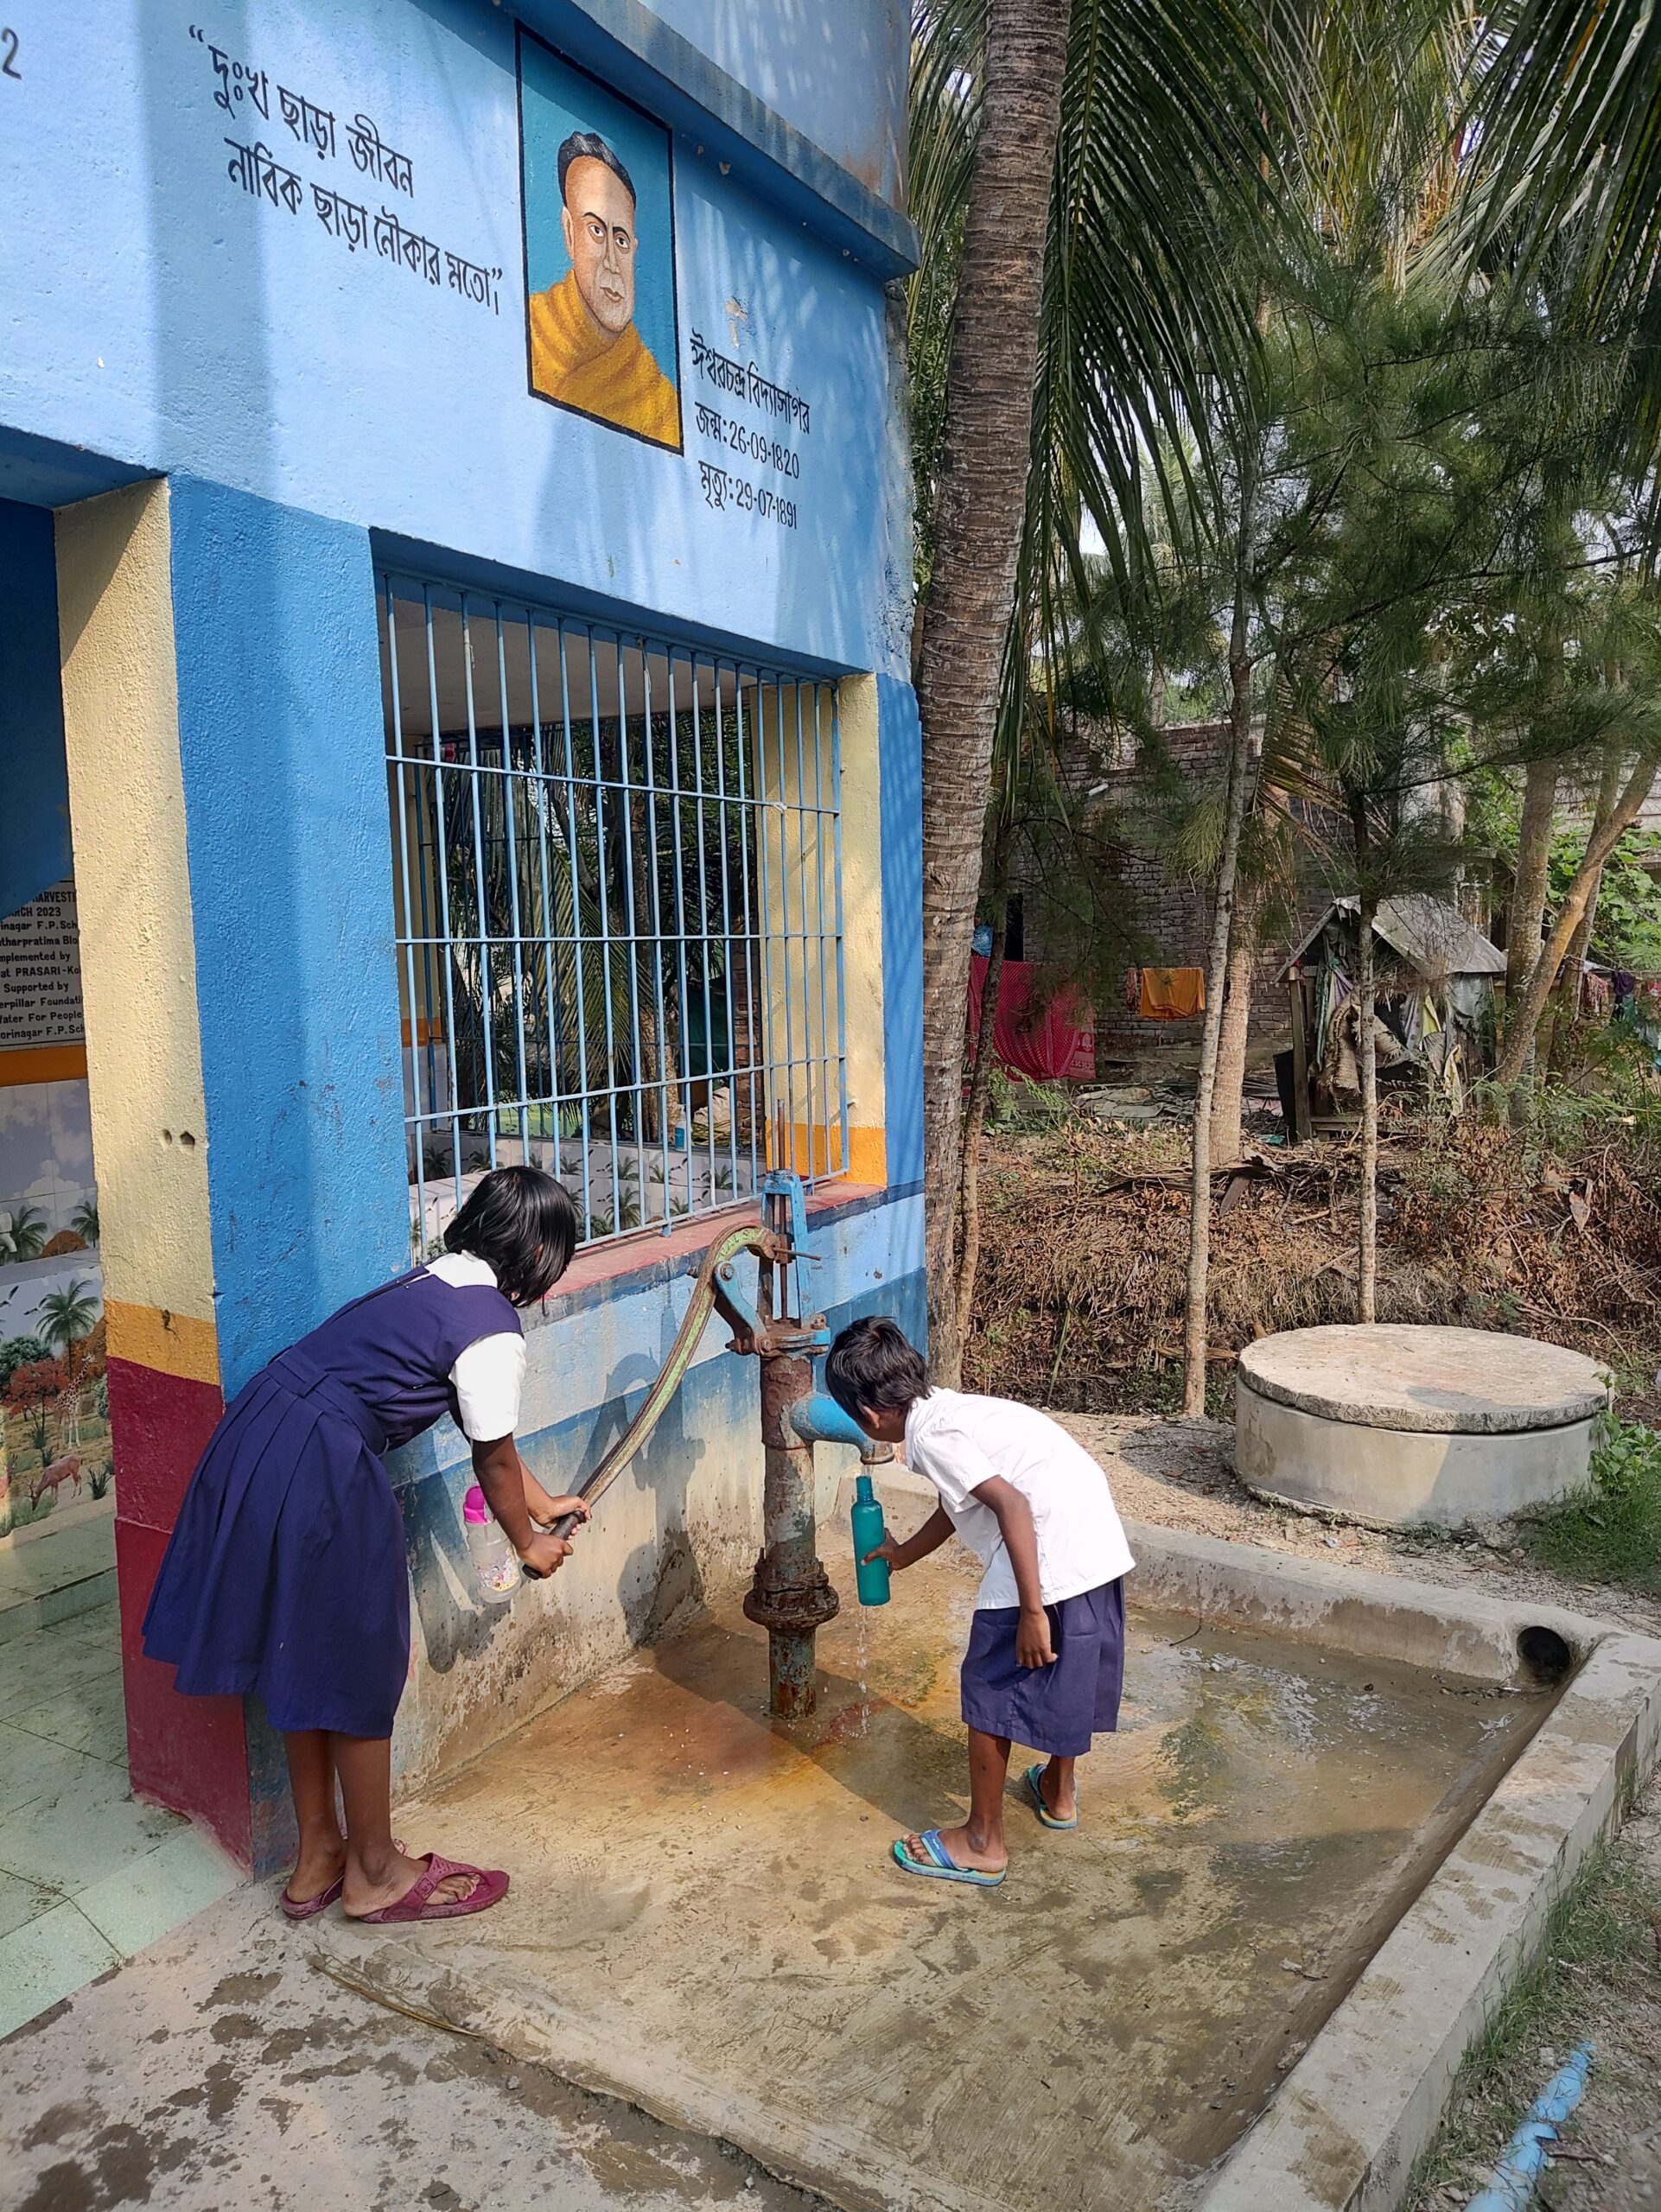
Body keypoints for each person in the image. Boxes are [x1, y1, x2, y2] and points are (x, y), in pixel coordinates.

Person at [143, 1166, 590, 1925]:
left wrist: (541, 1502)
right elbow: (492, 1459)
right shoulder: (492, 1328)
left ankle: (319, 1854)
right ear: (543, 1255)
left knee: (303, 1649)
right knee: (358, 1660)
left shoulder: (434, 1281)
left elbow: (493, 1442)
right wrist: (529, 1543)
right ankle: (376, 1870)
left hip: (262, 1432)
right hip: (322, 1462)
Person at [824, 1316, 1134, 1888]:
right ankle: (1058, 1791)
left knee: (989, 1687)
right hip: (1092, 1541)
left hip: (1044, 1553)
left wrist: (1032, 1612)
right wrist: (903, 1554)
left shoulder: (929, 1437)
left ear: (867, 1416)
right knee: (1068, 1670)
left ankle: (982, 1842)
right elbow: (962, 1499)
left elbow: (1011, 1505)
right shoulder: (948, 1408)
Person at [528, 129, 680, 446]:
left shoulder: (661, 403)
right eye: (596, 231)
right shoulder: (530, 329)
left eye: (621, 240)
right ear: (570, 234)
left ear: (633, 249)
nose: (612, 262)